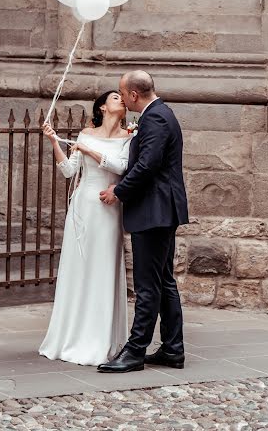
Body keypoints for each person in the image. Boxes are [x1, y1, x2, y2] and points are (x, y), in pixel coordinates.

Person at [98, 71, 189, 373]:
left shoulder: (156, 119)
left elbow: (147, 165)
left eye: (122, 94)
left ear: (134, 95)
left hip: (154, 211)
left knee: (148, 286)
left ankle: (135, 352)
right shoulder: (160, 114)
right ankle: (173, 349)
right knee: (163, 281)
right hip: (160, 210)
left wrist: (119, 191)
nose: (122, 99)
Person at [39, 91, 131, 366]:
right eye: (116, 97)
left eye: (123, 97)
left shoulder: (129, 137)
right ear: (103, 106)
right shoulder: (85, 133)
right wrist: (55, 141)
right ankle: (71, 335)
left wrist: (89, 150)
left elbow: (121, 166)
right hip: (83, 207)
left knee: (104, 268)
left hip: (109, 207)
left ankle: (101, 338)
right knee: (79, 268)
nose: (122, 100)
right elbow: (69, 170)